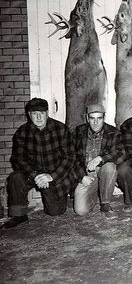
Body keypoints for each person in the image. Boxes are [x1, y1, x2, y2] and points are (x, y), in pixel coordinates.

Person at [1, 98, 76, 229]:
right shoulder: (22, 132)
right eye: (34, 113)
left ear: (47, 113)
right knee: (15, 177)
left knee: (55, 212)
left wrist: (51, 176)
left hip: (54, 174)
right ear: (29, 115)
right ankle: (19, 215)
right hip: (32, 174)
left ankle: (57, 198)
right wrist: (35, 175)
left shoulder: (61, 129)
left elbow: (69, 158)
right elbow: (18, 159)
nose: (39, 116)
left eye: (42, 113)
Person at [72, 104, 120, 218]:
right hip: (86, 174)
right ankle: (96, 192)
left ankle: (105, 205)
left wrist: (101, 158)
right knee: (81, 210)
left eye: (99, 118)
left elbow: (119, 153)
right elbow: (71, 157)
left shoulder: (113, 132)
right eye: (92, 118)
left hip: (103, 170)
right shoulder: (79, 132)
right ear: (87, 118)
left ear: (104, 118)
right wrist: (81, 176)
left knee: (110, 167)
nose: (95, 122)